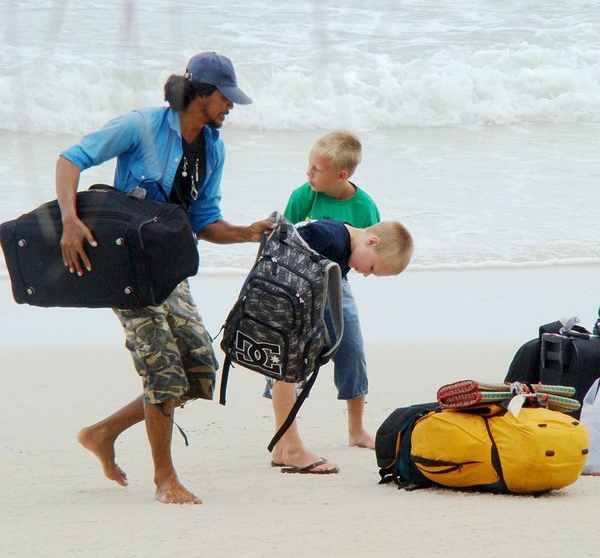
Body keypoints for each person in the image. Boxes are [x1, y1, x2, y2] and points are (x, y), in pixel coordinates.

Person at [55, 51, 274, 505]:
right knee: (164, 372)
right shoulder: (141, 126)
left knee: (198, 370)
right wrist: (70, 221)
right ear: (201, 93)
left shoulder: (213, 147)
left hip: (169, 265)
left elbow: (204, 220)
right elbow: (70, 159)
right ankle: (164, 479)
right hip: (126, 266)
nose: (230, 107)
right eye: (225, 98)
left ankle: (102, 433)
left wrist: (248, 233)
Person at [270, 217, 413, 474]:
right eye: (371, 267)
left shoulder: (344, 246)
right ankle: (290, 446)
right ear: (372, 241)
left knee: (289, 370)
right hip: (286, 302)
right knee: (288, 371)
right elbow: (285, 252)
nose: (366, 273)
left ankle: (284, 446)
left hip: (297, 302)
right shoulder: (330, 238)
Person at [266, 130, 381, 449]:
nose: (308, 173)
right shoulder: (304, 195)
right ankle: (283, 432)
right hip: (297, 285)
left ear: (341, 175)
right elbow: (281, 241)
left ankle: (356, 429)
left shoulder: (364, 207)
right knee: (287, 359)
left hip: (336, 285)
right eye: (309, 165)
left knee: (353, 350)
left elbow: (369, 251)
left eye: (317, 169)